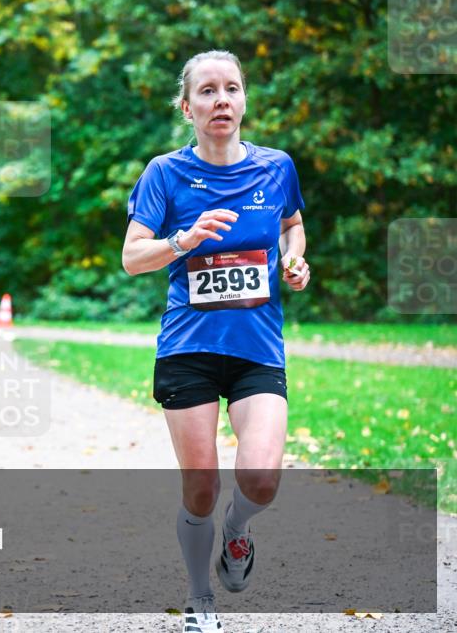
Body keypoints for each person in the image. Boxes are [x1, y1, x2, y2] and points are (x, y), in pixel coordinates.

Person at [121, 50, 310, 633]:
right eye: (207, 91)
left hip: (258, 349)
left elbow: (291, 224)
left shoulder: (277, 167)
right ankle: (200, 599)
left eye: (231, 89)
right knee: (200, 488)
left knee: (260, 479)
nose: (221, 99)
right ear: (188, 107)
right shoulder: (165, 173)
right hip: (188, 350)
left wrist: (295, 259)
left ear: (244, 101)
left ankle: (238, 532)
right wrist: (183, 240)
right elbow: (132, 258)